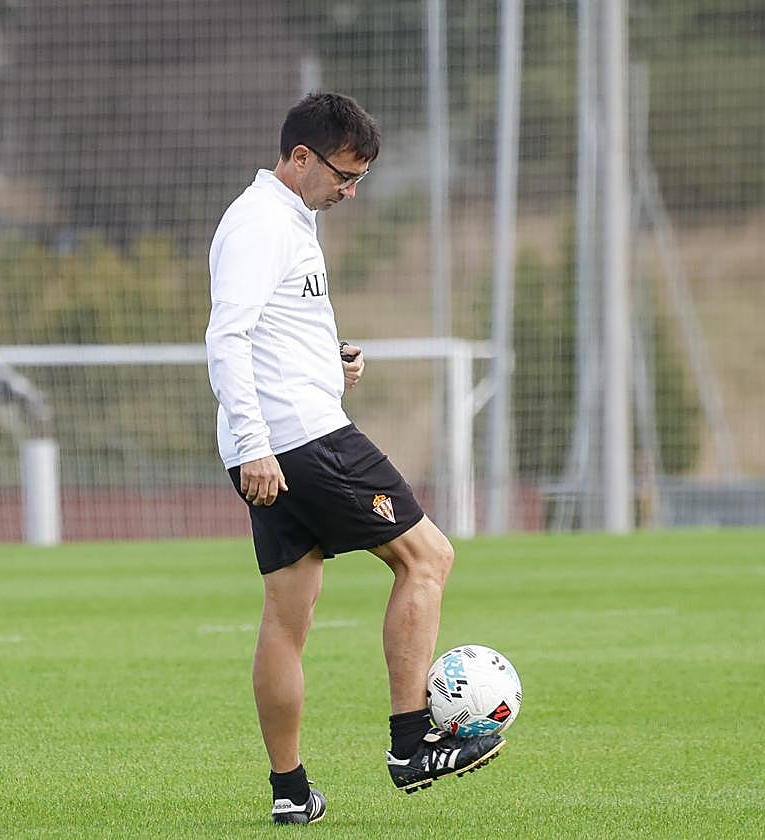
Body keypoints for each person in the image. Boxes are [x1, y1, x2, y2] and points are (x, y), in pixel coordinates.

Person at [205, 92, 504, 826]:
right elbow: (227, 338)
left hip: (283, 436)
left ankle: (290, 791)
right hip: (299, 439)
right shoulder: (259, 223)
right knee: (428, 558)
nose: (350, 191)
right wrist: (255, 444)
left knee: (287, 618)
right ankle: (411, 745)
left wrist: (329, 360)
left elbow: (273, 329)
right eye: (344, 175)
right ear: (301, 157)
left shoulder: (288, 219)